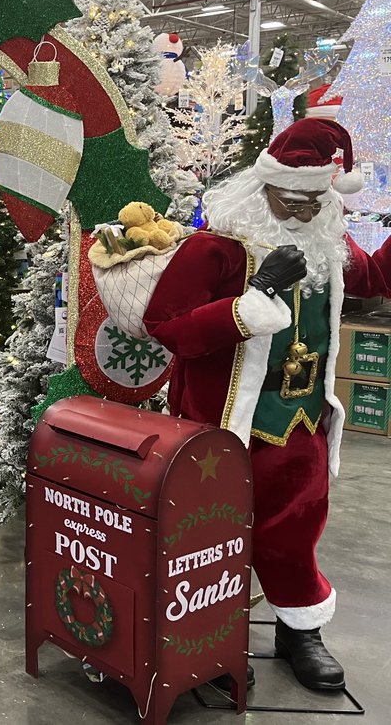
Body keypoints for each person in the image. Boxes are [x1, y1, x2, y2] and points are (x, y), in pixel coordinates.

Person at [144, 117, 391, 692]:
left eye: (315, 202)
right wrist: (254, 300)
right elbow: (165, 327)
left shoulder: (330, 243)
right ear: (264, 190)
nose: (303, 214)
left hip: (302, 417)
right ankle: (208, 638)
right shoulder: (217, 248)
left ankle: (297, 627)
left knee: (295, 530)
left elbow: (375, 278)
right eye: (291, 201)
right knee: (210, 534)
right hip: (222, 424)